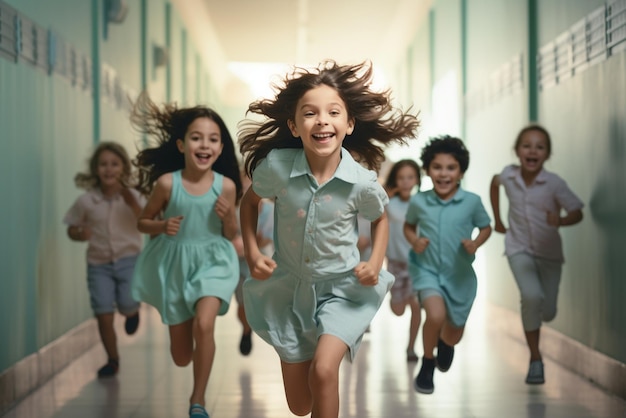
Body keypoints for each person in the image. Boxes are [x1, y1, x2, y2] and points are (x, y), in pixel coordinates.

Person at [238, 60, 419, 418]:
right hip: (289, 291)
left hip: (343, 291)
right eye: (310, 113)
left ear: (348, 124)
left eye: (333, 112)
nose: (322, 120)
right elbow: (249, 203)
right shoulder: (277, 168)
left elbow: (380, 218)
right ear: (294, 125)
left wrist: (375, 261)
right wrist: (253, 251)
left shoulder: (361, 182)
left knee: (324, 370)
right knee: (300, 406)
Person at [130, 93, 242, 418]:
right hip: (176, 266)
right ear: (182, 145)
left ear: (220, 148)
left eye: (213, 139)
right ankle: (194, 353)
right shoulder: (167, 184)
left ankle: (198, 400)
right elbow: (142, 221)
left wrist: (228, 217)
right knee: (181, 355)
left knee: (205, 324)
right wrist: (161, 224)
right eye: (196, 138)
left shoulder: (227, 187)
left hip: (214, 262)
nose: (204, 145)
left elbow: (231, 234)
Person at [490, 124, 583, 385]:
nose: (532, 151)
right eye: (527, 146)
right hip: (518, 248)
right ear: (517, 151)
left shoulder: (554, 184)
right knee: (531, 297)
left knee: (548, 311)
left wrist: (560, 220)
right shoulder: (508, 176)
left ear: (547, 154)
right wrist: (497, 219)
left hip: (549, 254)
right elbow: (494, 183)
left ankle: (539, 320)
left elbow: (577, 211)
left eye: (539, 147)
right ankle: (535, 359)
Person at [404, 135, 492, 394]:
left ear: (461, 172)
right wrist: (414, 241)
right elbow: (408, 226)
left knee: (454, 332)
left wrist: (475, 244)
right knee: (435, 315)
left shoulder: (471, 202)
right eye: (437, 167)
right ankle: (427, 362)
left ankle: (445, 342)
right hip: (427, 270)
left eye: (451, 168)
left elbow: (486, 227)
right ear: (428, 170)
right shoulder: (419, 201)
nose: (443, 174)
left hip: (460, 276)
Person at [63, 141, 144, 378]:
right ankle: (112, 359)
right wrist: (79, 234)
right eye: (103, 165)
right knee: (103, 313)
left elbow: (146, 223)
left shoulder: (134, 197)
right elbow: (71, 228)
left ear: (124, 169)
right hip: (98, 265)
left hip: (129, 260)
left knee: (127, 302)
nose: (109, 169)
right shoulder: (86, 201)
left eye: (114, 164)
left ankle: (131, 311)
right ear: (95, 169)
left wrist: (132, 203)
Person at [232, 172, 275, 356]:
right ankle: (246, 329)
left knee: (258, 302)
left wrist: (253, 243)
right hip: (239, 264)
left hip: (263, 264)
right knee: (242, 304)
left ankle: (255, 324)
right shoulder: (233, 210)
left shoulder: (270, 210)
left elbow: (268, 238)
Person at [384, 159, 422, 362]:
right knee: (398, 310)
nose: (406, 182)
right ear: (395, 180)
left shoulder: (421, 202)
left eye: (410, 177)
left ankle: (411, 348)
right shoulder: (389, 203)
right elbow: (372, 214)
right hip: (395, 263)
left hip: (417, 263)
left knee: (416, 305)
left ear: (417, 179)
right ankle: (400, 297)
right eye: (401, 177)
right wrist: (386, 195)